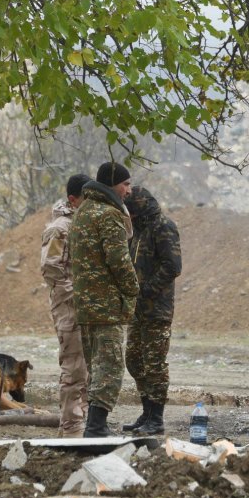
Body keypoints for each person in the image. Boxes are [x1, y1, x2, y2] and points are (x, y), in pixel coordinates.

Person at [69, 162, 139, 438]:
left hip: (86, 306)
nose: (129, 190)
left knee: (95, 366)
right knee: (109, 366)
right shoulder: (109, 216)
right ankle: (96, 426)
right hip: (107, 305)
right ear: (112, 185)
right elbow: (119, 261)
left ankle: (94, 424)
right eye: (125, 184)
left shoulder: (83, 212)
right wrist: (133, 289)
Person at [119, 186, 182, 436]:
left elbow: (173, 266)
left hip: (157, 308)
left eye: (130, 211)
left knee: (154, 364)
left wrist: (146, 290)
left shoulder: (163, 226)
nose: (129, 216)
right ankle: (146, 412)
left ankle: (156, 418)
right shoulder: (136, 230)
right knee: (134, 360)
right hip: (136, 309)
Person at [40, 173, 91, 438]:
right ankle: (71, 428)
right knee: (73, 368)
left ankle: (79, 424)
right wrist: (77, 296)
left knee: (86, 370)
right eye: (87, 198)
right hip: (69, 307)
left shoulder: (82, 224)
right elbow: (51, 270)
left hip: (84, 306)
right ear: (73, 200)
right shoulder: (60, 228)